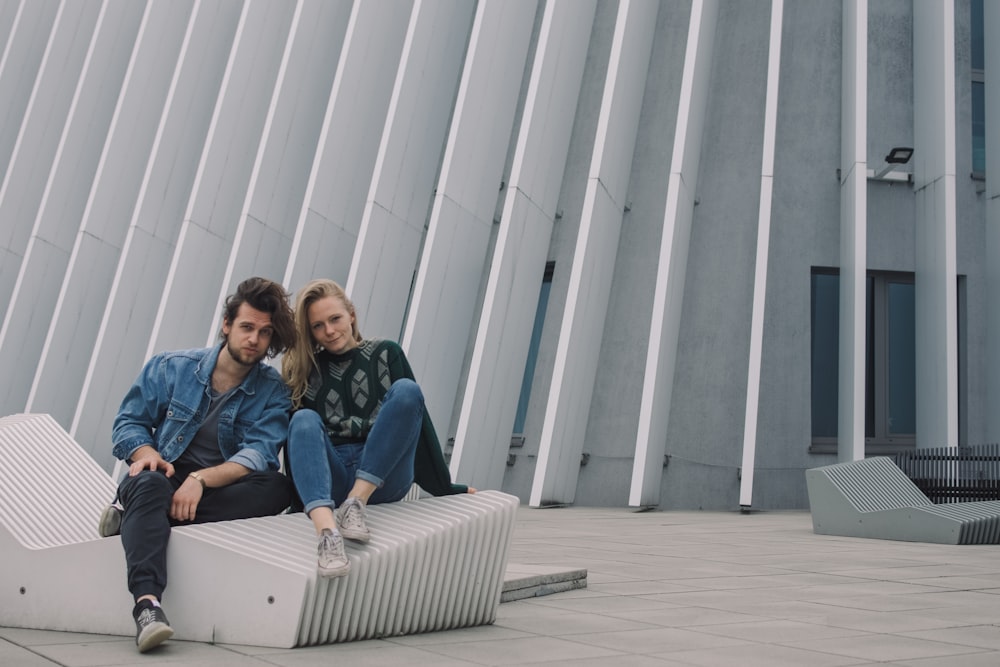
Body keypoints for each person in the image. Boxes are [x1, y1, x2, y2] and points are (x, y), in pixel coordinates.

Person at [100, 276, 297, 653]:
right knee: (151, 484)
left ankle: (140, 517)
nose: (254, 339)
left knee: (277, 487)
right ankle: (147, 605)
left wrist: (202, 480)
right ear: (226, 325)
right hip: (163, 473)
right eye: (246, 327)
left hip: (215, 487)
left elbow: (258, 454)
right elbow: (129, 421)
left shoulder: (273, 392)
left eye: (264, 332)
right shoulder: (172, 366)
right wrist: (147, 454)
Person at [281, 278, 475, 578]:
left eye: (335, 319)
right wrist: (297, 502)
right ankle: (329, 535)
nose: (329, 331)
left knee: (408, 391)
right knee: (302, 420)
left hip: (383, 477)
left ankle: (356, 503)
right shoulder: (306, 369)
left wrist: (445, 488)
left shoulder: (386, 353)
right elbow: (299, 446)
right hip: (331, 475)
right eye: (318, 326)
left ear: (351, 315)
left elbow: (417, 427)